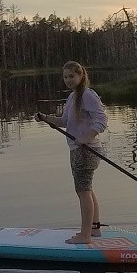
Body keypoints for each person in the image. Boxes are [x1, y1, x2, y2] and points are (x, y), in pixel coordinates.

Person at [36, 61, 108, 244]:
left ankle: (85, 236)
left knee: (83, 191)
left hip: (86, 151)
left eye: (71, 76)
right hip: (79, 150)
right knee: (87, 189)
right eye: (65, 76)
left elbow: (101, 119)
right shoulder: (73, 97)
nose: (68, 80)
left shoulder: (87, 95)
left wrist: (86, 137)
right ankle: (94, 229)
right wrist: (45, 118)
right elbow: (64, 121)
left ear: (81, 76)